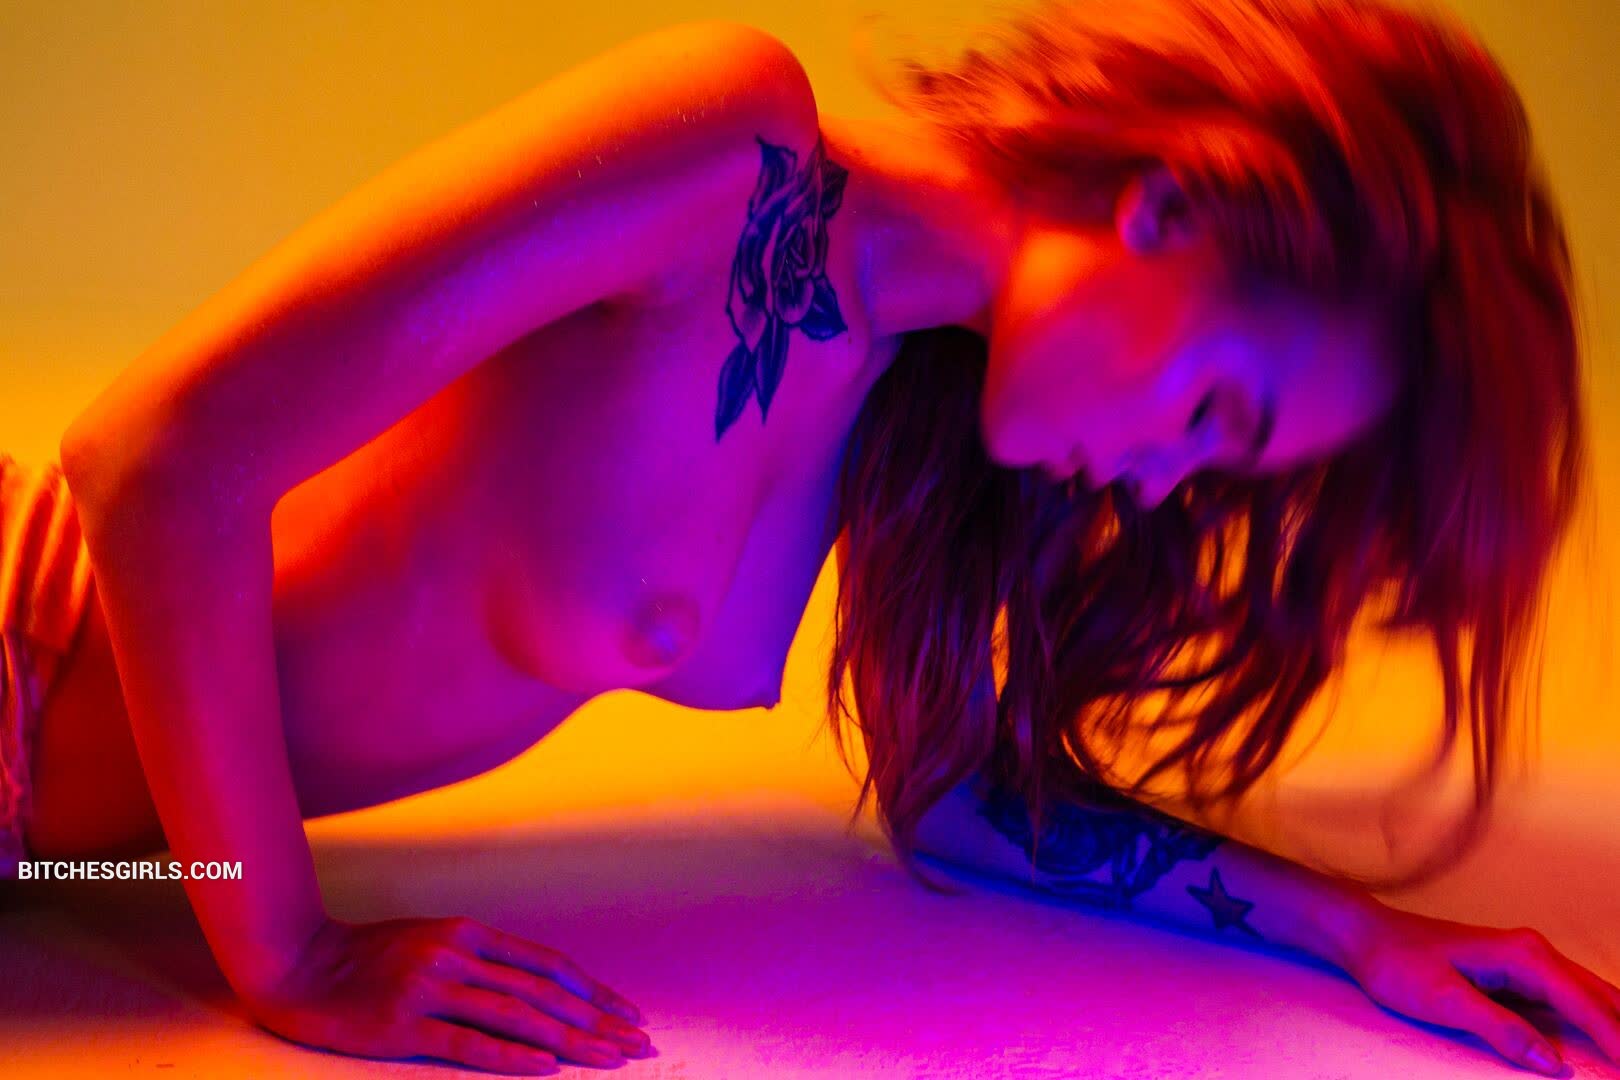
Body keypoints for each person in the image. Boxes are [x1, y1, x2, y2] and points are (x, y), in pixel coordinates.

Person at [2, 1, 1609, 1074]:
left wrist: (1365, 938)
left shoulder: (919, 406)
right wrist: (288, 956)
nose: (1163, 483)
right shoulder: (727, 153)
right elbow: (158, 457)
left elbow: (960, 805)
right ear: (1171, 204)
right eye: (1214, 413)